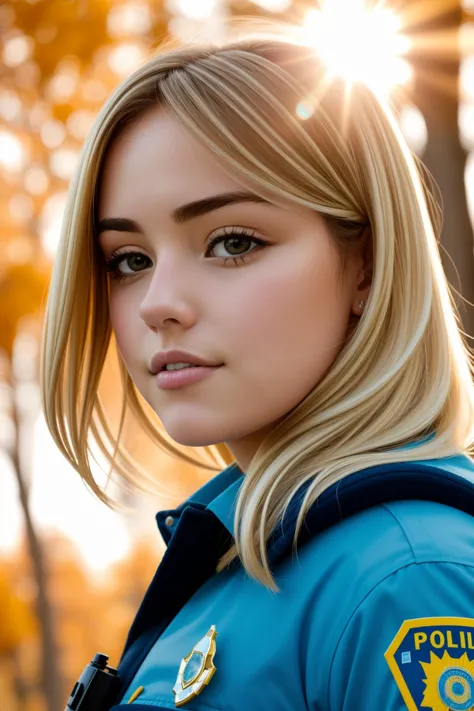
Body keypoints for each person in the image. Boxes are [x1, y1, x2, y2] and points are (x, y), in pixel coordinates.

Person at [40, 18, 474, 711]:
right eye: (130, 259)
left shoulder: (407, 578)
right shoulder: (237, 563)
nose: (159, 303)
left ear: (366, 262)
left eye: (232, 241)